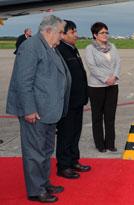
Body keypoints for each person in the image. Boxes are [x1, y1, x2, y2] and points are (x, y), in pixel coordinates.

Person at [6, 15, 71, 203]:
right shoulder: (31, 47)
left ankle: (43, 182)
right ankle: (36, 190)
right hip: (35, 111)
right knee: (34, 151)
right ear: (48, 31)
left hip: (48, 110)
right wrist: (29, 110)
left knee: (45, 149)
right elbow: (23, 82)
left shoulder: (49, 46)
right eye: (60, 32)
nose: (62, 36)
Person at [56, 20, 91, 179]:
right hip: (67, 102)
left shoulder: (72, 49)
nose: (76, 35)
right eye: (72, 32)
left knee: (76, 133)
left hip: (78, 100)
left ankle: (73, 160)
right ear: (62, 34)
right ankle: (63, 166)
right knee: (66, 134)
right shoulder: (60, 50)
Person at [85, 22, 120, 153]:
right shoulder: (90, 48)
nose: (105, 35)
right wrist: (106, 79)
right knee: (97, 117)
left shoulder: (113, 47)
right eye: (102, 33)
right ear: (95, 35)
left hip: (113, 86)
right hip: (96, 87)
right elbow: (92, 67)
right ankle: (100, 144)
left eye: (106, 32)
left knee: (110, 116)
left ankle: (110, 143)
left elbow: (118, 63)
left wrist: (114, 77)